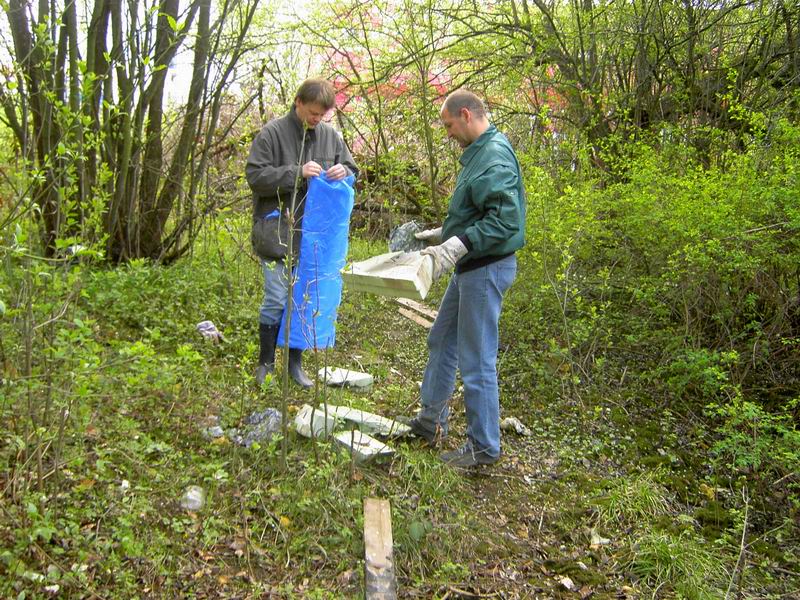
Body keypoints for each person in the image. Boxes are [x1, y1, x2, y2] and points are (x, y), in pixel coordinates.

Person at [406, 90, 526, 467]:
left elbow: (504, 221)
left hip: (486, 268)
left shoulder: (493, 156)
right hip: (471, 265)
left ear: (465, 115)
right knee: (442, 339)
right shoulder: (480, 152)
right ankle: (431, 421)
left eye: (448, 126)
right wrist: (444, 234)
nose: (447, 134)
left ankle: (484, 447)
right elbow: (479, 210)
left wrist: (457, 245)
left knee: (476, 360)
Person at [246, 78, 358, 387]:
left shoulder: (331, 137)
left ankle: (294, 365)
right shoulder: (271, 134)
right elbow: (255, 177)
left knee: (303, 300)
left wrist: (345, 171)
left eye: (322, 115)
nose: (317, 119)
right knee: (276, 297)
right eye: (312, 113)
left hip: (316, 239)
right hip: (276, 233)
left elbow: (352, 169)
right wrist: (296, 173)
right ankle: (266, 363)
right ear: (298, 102)